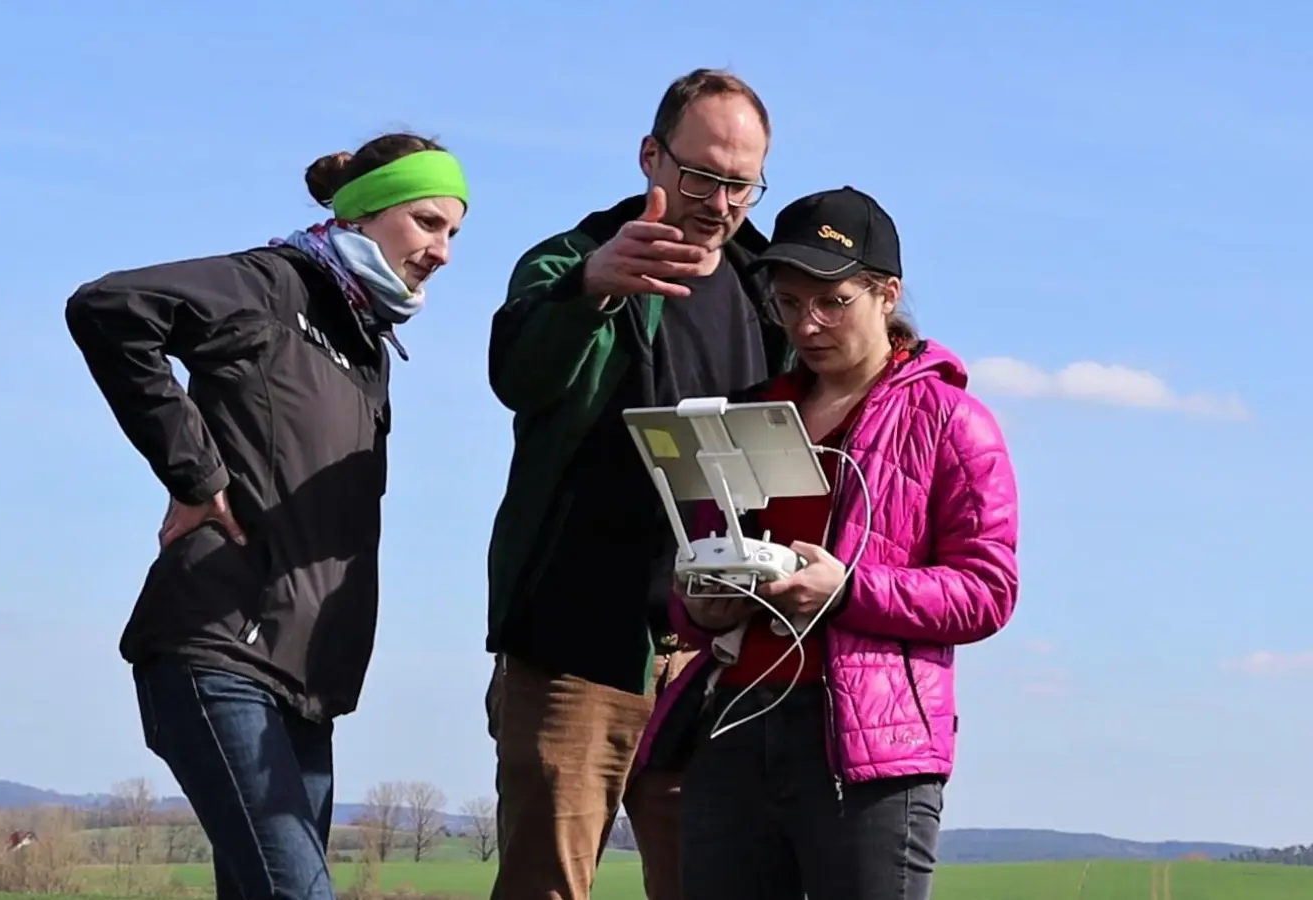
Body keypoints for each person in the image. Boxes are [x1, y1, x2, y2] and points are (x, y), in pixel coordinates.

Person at [62, 133, 469, 900]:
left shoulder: (367, 345)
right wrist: (193, 473)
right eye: (426, 222)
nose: (443, 251)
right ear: (363, 212)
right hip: (220, 647)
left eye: (453, 232)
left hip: (306, 682)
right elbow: (111, 309)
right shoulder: (275, 286)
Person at [633, 185, 1021, 900]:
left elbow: (988, 592)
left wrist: (846, 590)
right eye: (787, 303)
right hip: (735, 720)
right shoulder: (752, 411)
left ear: (887, 294)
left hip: (871, 749)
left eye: (832, 301)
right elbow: (709, 553)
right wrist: (702, 605)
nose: (807, 324)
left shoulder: (952, 421)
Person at [483, 68, 791, 900]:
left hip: (716, 655)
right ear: (651, 157)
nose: (720, 203)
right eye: (701, 176)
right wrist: (588, 291)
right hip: (576, 642)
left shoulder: (770, 291)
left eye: (741, 183)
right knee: (546, 886)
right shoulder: (572, 261)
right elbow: (517, 374)